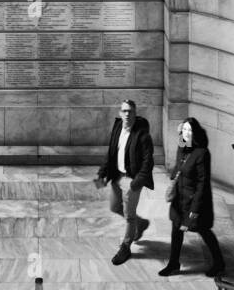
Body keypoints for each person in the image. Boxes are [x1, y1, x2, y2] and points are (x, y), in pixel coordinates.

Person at [159, 117, 226, 278]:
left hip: (195, 202)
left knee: (204, 231)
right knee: (176, 230)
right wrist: (180, 131)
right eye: (185, 130)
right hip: (179, 200)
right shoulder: (183, 147)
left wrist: (195, 210)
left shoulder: (202, 153)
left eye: (190, 130)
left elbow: (203, 184)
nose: (186, 133)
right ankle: (174, 263)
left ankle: (219, 263)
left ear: (195, 132)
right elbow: (179, 158)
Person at [96, 99, 154, 265]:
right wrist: (102, 174)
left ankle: (125, 247)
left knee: (129, 216)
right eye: (124, 111)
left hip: (131, 179)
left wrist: (135, 183)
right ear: (120, 113)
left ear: (135, 114)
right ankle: (141, 223)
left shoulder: (143, 135)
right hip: (116, 175)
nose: (127, 114)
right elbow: (111, 153)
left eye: (130, 111)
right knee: (114, 207)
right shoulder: (117, 127)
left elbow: (148, 163)